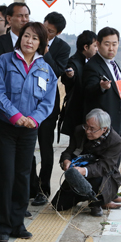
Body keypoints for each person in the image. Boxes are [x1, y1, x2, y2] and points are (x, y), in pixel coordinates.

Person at [0, 22, 57, 242]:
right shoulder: (5, 61)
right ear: (20, 38)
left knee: (22, 177)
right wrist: (16, 116)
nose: (29, 41)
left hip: (29, 130)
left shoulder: (45, 69)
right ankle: (1, 225)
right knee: (5, 175)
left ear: (41, 43)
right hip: (6, 127)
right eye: (26, 36)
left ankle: (17, 224)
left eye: (35, 38)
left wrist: (34, 119)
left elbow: (48, 101)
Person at [0, 2, 30, 218]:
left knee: (22, 167)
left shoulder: (33, 45)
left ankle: (18, 206)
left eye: (27, 15)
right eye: (19, 16)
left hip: (27, 117)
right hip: (1, 113)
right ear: (9, 20)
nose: (24, 19)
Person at [52, 109, 121, 216]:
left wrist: (84, 170)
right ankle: (90, 198)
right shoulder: (79, 131)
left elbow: (104, 166)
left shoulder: (115, 141)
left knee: (97, 178)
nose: (87, 131)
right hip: (78, 176)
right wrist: (66, 161)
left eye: (92, 129)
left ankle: (97, 202)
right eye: (86, 126)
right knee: (58, 206)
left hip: (102, 176)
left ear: (104, 129)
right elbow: (68, 151)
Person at [30, 12, 71, 207]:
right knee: (27, 147)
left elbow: (56, 71)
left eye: (51, 32)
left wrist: (46, 52)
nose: (46, 32)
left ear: (59, 32)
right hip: (27, 102)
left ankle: (43, 189)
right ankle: (30, 185)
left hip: (48, 104)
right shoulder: (31, 37)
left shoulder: (63, 48)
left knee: (45, 148)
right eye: (45, 27)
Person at [83, 27, 121, 138]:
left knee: (116, 152)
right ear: (98, 44)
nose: (111, 49)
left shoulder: (113, 64)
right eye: (107, 44)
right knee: (107, 154)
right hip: (106, 120)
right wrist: (101, 87)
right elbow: (88, 90)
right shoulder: (92, 65)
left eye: (114, 44)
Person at [58, 30, 98, 138]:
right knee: (76, 145)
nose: (97, 49)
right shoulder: (73, 62)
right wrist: (70, 76)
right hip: (77, 111)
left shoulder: (90, 61)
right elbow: (67, 80)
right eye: (95, 46)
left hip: (86, 110)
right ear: (86, 47)